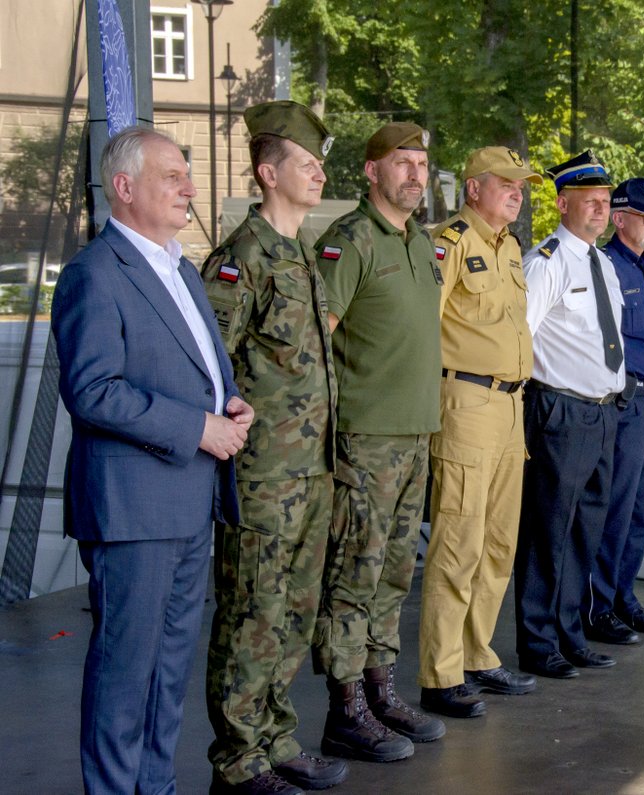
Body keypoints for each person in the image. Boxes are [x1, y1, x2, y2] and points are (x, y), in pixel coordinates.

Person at [51, 126, 252, 794]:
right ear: (124, 186)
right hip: (133, 507)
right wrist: (196, 425)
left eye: (187, 175)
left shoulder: (178, 267)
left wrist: (229, 403)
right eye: (173, 176)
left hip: (189, 499)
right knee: (124, 673)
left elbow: (196, 368)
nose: (190, 188)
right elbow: (92, 390)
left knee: (167, 673)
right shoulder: (94, 273)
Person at [200, 101, 345, 794]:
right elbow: (207, 365)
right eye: (306, 163)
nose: (319, 172)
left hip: (311, 473)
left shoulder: (302, 255)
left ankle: (275, 737)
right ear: (267, 172)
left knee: (294, 612)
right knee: (252, 613)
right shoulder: (242, 259)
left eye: (321, 163)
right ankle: (237, 758)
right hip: (262, 478)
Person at [313, 121, 446, 762]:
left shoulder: (419, 242)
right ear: (371, 172)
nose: (416, 174)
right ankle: (344, 710)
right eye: (402, 162)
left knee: (395, 573)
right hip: (365, 441)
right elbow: (317, 342)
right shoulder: (351, 241)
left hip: (414, 434)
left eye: (422, 163)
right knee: (353, 576)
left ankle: (378, 690)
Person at [417, 147, 542, 718]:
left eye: (522, 186)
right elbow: (424, 326)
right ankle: (440, 674)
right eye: (507, 184)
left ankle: (477, 655)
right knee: (458, 541)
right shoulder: (450, 242)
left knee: (498, 542)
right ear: (473, 189)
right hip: (465, 400)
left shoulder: (510, 246)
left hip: (511, 406)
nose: (518, 193)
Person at [515, 150, 627, 680]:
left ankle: (569, 633)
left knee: (585, 529)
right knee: (548, 531)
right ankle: (537, 643)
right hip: (560, 410)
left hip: (603, 412)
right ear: (563, 203)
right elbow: (520, 340)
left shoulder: (601, 263)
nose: (601, 211)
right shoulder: (547, 261)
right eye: (590, 202)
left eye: (605, 202)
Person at [583, 177, 644, 647]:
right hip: (625, 401)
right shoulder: (608, 266)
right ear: (620, 219)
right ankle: (598, 607)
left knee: (641, 510)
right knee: (616, 510)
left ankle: (623, 597)